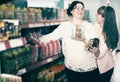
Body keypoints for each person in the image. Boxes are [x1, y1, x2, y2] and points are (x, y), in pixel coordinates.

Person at [30, 1, 99, 82]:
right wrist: (37, 40)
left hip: (89, 69)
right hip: (72, 69)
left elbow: (95, 47)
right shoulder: (65, 26)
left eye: (82, 9)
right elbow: (51, 36)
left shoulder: (89, 26)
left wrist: (85, 42)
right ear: (71, 11)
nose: (80, 10)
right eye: (77, 8)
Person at [94, 5, 119, 82]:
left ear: (104, 18)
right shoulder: (98, 26)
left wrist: (95, 51)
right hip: (100, 66)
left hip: (105, 68)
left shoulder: (107, 35)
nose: (96, 15)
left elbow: (99, 55)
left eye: (98, 14)